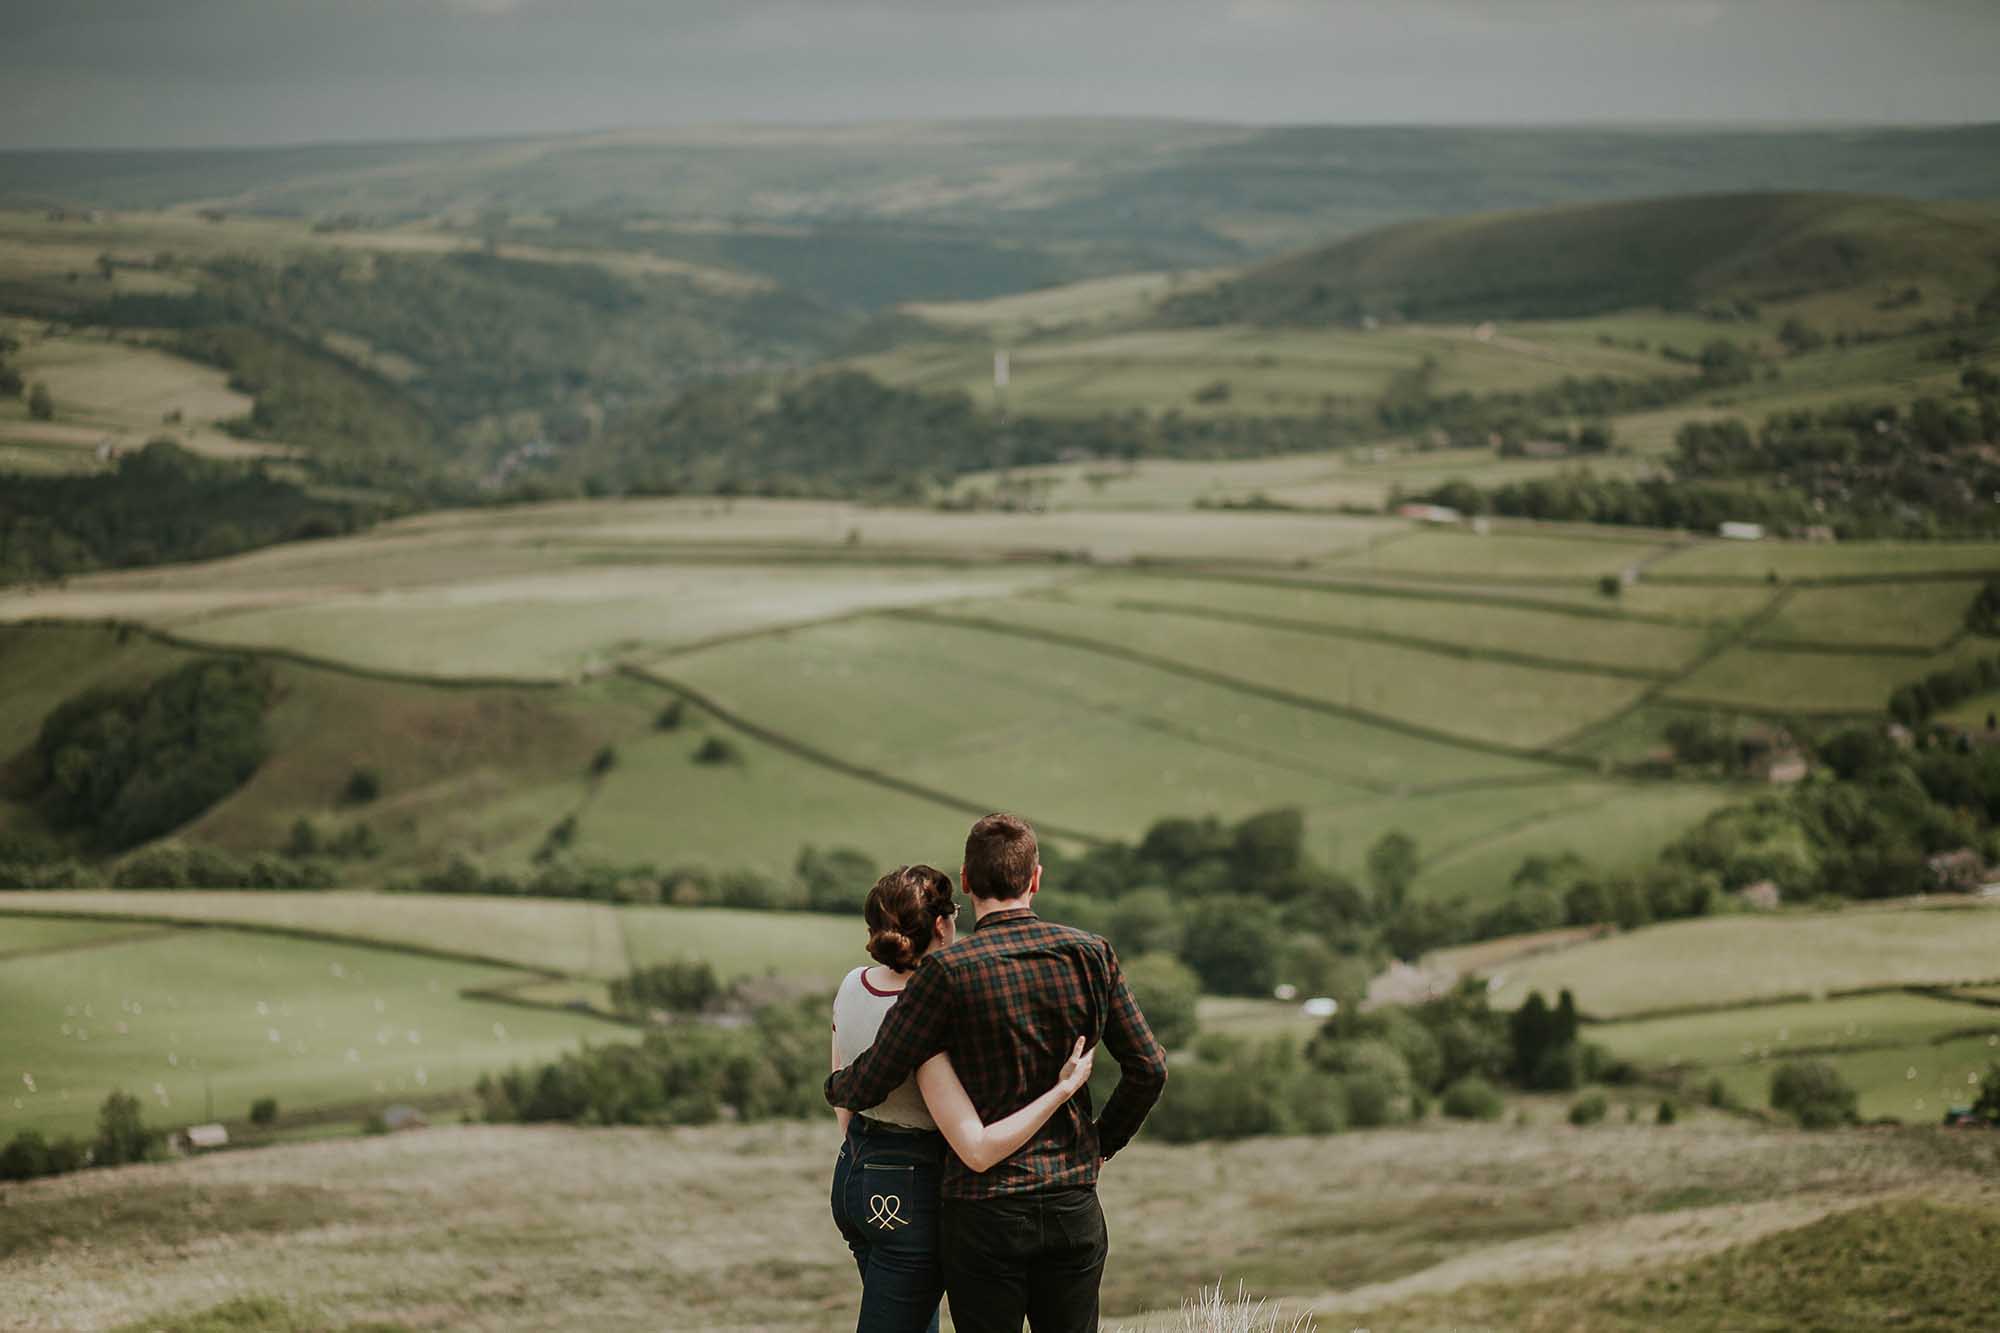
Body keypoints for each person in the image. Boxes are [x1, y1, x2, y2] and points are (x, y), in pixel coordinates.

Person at [827, 814, 1169, 1333]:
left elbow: (874, 1076)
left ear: (966, 879)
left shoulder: (947, 973)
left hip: (983, 1208)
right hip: (1071, 1201)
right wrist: (1099, 1145)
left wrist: (834, 1087)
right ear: (1036, 878)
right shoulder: (1092, 954)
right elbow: (1148, 1067)